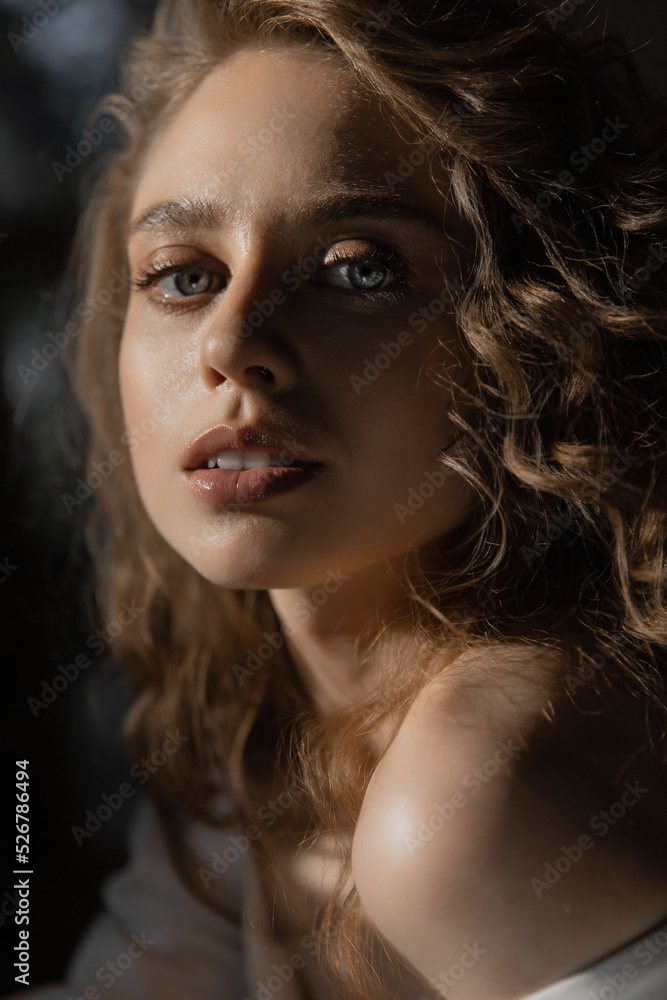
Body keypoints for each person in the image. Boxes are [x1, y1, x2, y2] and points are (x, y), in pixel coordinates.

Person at [9, 0, 667, 997]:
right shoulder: (257, 725)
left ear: (529, 339)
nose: (231, 345)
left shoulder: (472, 808)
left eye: (357, 268)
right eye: (183, 276)